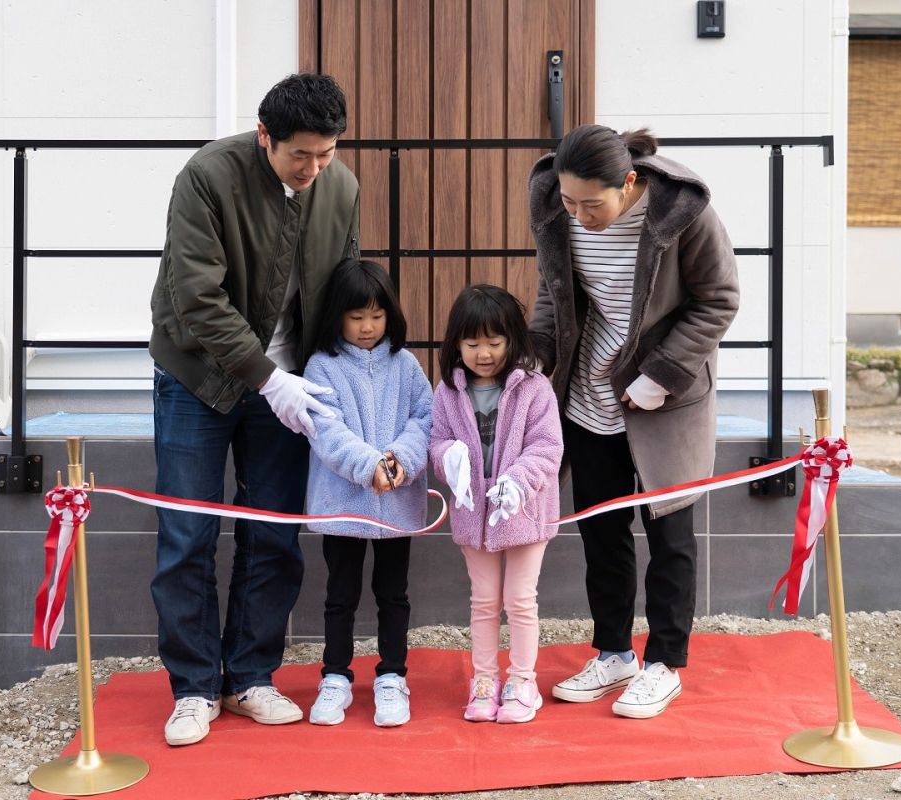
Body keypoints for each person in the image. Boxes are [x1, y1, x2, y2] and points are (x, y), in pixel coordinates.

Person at [148, 73, 360, 746]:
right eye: (302, 154)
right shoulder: (207, 176)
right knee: (189, 534)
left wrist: (335, 379)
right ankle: (192, 688)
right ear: (265, 136)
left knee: (273, 532)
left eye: (326, 154)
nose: (315, 168)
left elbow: (342, 290)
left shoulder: (342, 187)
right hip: (198, 377)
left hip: (292, 386)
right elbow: (196, 296)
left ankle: (250, 677)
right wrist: (266, 378)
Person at [527, 125, 739, 719]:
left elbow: (719, 297)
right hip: (588, 396)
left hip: (662, 400)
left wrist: (663, 373)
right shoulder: (557, 204)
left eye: (592, 204)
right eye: (569, 203)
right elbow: (554, 290)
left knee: (670, 536)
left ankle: (664, 662)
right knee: (603, 532)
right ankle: (614, 652)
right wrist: (538, 350)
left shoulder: (682, 212)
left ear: (628, 182)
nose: (579, 214)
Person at [301, 258, 432, 728]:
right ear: (337, 315)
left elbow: (426, 419)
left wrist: (398, 459)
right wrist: (368, 466)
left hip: (396, 502)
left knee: (393, 594)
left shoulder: (407, 364)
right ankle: (335, 675)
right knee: (341, 594)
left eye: (376, 316)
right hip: (343, 503)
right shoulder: (322, 366)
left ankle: (392, 675)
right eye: (356, 317)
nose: (367, 326)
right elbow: (325, 430)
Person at [429, 285, 564, 724]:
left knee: (521, 598)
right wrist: (449, 459)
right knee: (484, 600)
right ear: (457, 343)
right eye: (472, 343)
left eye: (494, 342)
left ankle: (522, 680)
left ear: (512, 340)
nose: (483, 353)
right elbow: (437, 442)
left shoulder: (534, 388)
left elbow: (547, 447)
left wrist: (517, 482)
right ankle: (484, 680)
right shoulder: (448, 390)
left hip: (523, 511)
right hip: (474, 515)